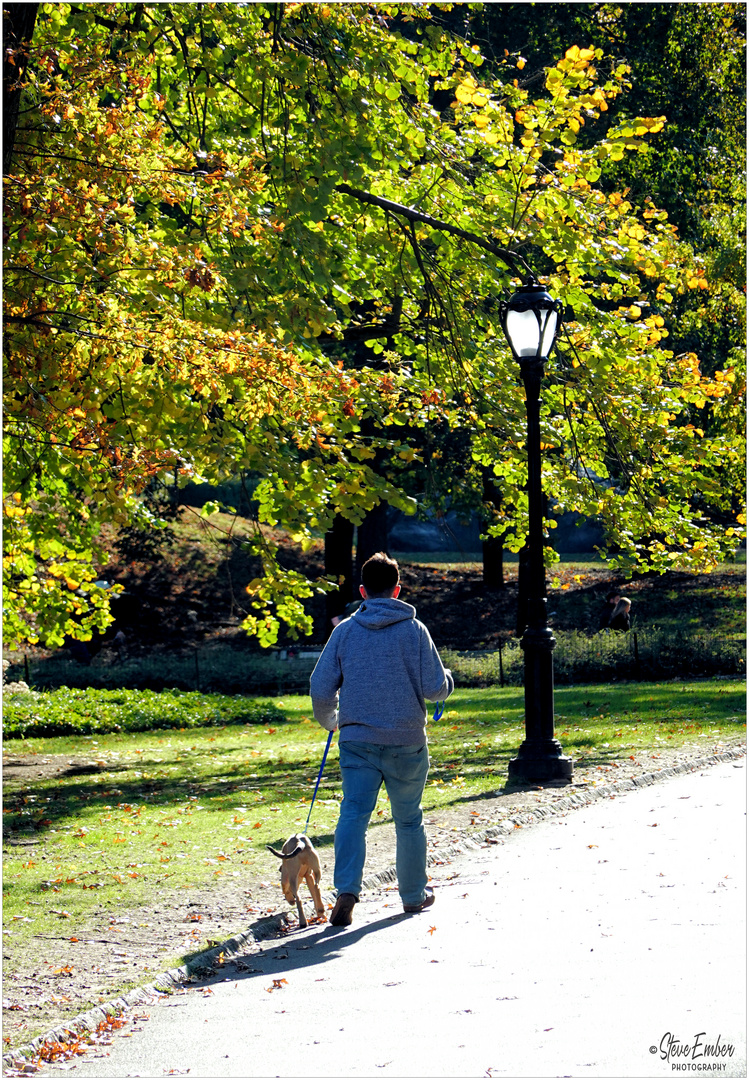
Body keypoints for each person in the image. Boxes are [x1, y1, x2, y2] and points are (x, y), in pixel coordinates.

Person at [310, 551, 454, 926]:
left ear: (362, 591)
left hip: (357, 740)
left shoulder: (344, 632)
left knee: (353, 815)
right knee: (408, 819)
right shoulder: (415, 630)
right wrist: (448, 681)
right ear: (397, 590)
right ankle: (412, 895)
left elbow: (320, 687)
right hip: (406, 739)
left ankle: (346, 889)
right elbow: (435, 688)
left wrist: (332, 721)